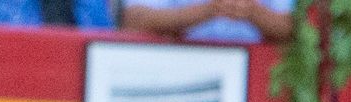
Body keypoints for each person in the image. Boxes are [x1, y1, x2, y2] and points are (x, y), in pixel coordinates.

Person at [122, 0, 292, 42]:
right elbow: (135, 19)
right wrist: (208, 9)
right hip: (173, 74)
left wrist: (252, 12)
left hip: (258, 84)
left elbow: (295, 30)